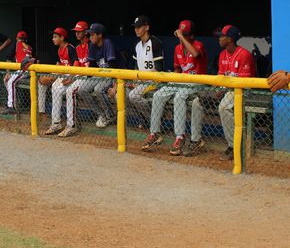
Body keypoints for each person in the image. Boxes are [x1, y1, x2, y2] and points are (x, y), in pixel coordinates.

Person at [143, 20, 207, 156]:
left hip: (198, 81)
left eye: (185, 34)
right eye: (179, 34)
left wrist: (182, 38)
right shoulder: (177, 48)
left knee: (180, 97)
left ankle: (180, 137)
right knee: (158, 95)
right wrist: (172, 76)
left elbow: (196, 54)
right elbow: (178, 69)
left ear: (192, 36)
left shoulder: (198, 45)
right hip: (182, 80)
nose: (180, 37)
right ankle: (154, 133)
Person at [109, 15, 164, 127]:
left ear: (147, 27)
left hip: (154, 81)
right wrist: (134, 81)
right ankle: (142, 118)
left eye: (139, 27)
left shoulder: (155, 43)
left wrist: (141, 78)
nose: (136, 29)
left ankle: (155, 119)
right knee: (119, 94)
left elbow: (159, 69)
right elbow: (136, 68)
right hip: (140, 81)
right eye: (135, 27)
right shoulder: (137, 45)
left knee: (133, 95)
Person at [209, 25, 255, 160]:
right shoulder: (222, 54)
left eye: (222, 36)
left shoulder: (244, 54)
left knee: (223, 108)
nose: (219, 39)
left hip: (243, 90)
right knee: (199, 101)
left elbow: (243, 82)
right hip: (229, 90)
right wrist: (218, 89)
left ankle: (233, 145)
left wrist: (223, 90)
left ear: (230, 39)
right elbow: (221, 76)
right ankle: (196, 140)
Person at [77, 23, 119, 128]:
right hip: (100, 75)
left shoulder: (108, 43)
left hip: (113, 74)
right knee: (81, 89)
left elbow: (114, 66)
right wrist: (86, 81)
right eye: (89, 35)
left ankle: (110, 115)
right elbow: (91, 67)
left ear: (100, 35)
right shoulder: (92, 45)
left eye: (92, 35)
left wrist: (115, 84)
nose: (90, 37)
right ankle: (101, 114)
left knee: (98, 89)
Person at [44, 27, 79, 136]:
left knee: (69, 92)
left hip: (75, 75)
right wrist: (51, 76)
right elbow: (59, 66)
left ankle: (71, 125)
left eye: (55, 37)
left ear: (62, 37)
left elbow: (76, 66)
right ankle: (56, 123)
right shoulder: (59, 49)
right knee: (55, 87)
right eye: (53, 37)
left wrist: (71, 78)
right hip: (65, 75)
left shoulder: (70, 48)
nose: (53, 39)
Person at [64, 21, 91, 131]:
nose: (77, 34)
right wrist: (71, 78)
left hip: (90, 76)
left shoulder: (91, 45)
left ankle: (72, 125)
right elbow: (76, 66)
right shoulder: (78, 48)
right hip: (80, 76)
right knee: (65, 89)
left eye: (79, 32)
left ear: (85, 32)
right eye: (76, 32)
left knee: (71, 91)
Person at [3, 31, 33, 115]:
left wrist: (8, 73)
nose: (21, 40)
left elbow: (8, 58)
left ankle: (11, 106)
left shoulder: (17, 44)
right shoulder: (29, 47)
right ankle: (12, 102)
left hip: (25, 69)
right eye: (20, 38)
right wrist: (8, 73)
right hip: (26, 70)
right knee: (7, 81)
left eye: (22, 39)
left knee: (11, 81)